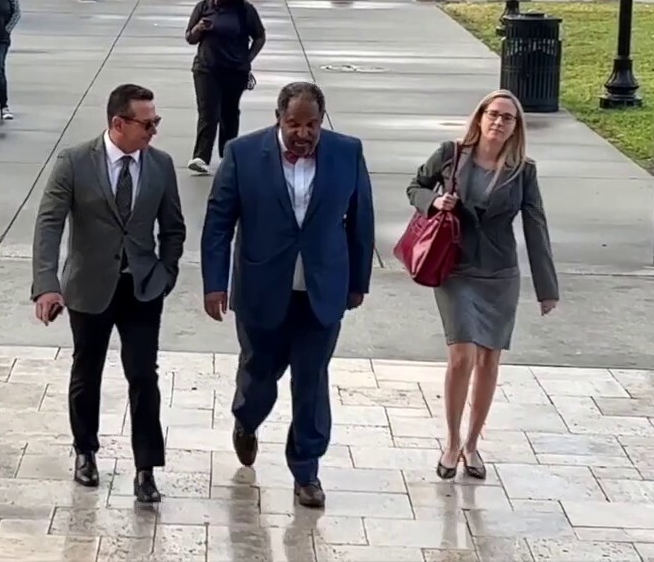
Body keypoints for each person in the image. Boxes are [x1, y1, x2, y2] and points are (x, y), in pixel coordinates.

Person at [200, 82, 375, 509]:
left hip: (322, 290)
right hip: (262, 286)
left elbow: (361, 222)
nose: (303, 132)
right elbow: (219, 222)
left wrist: (357, 283)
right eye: (294, 123)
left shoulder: (347, 152)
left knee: (311, 380)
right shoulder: (243, 153)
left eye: (311, 123)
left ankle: (306, 470)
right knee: (260, 373)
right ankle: (247, 419)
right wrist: (214, 283)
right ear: (279, 118)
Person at [31, 83, 186, 504]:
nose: (153, 130)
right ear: (118, 123)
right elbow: (49, 224)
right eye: (146, 123)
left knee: (143, 375)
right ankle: (86, 452)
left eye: (156, 122)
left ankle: (146, 467)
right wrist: (47, 284)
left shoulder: (161, 165)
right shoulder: (74, 161)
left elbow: (173, 226)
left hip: (141, 288)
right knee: (87, 371)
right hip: (88, 286)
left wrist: (166, 272)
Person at [406, 89, 558, 481]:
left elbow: (535, 224)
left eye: (508, 118)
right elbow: (415, 186)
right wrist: (433, 203)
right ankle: (452, 442)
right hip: (454, 268)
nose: (498, 122)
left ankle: (473, 444)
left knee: (490, 359)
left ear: (515, 128)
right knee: (461, 356)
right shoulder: (451, 154)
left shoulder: (523, 171)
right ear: (479, 118)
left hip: (500, 274)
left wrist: (546, 287)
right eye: (493, 114)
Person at [184, 0, 266, 176]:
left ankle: (228, 154)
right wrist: (198, 29)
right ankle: (201, 156)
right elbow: (189, 38)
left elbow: (259, 37)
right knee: (208, 113)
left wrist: (247, 59)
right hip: (206, 69)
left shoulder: (244, 11)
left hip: (235, 70)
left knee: (229, 113)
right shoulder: (203, 7)